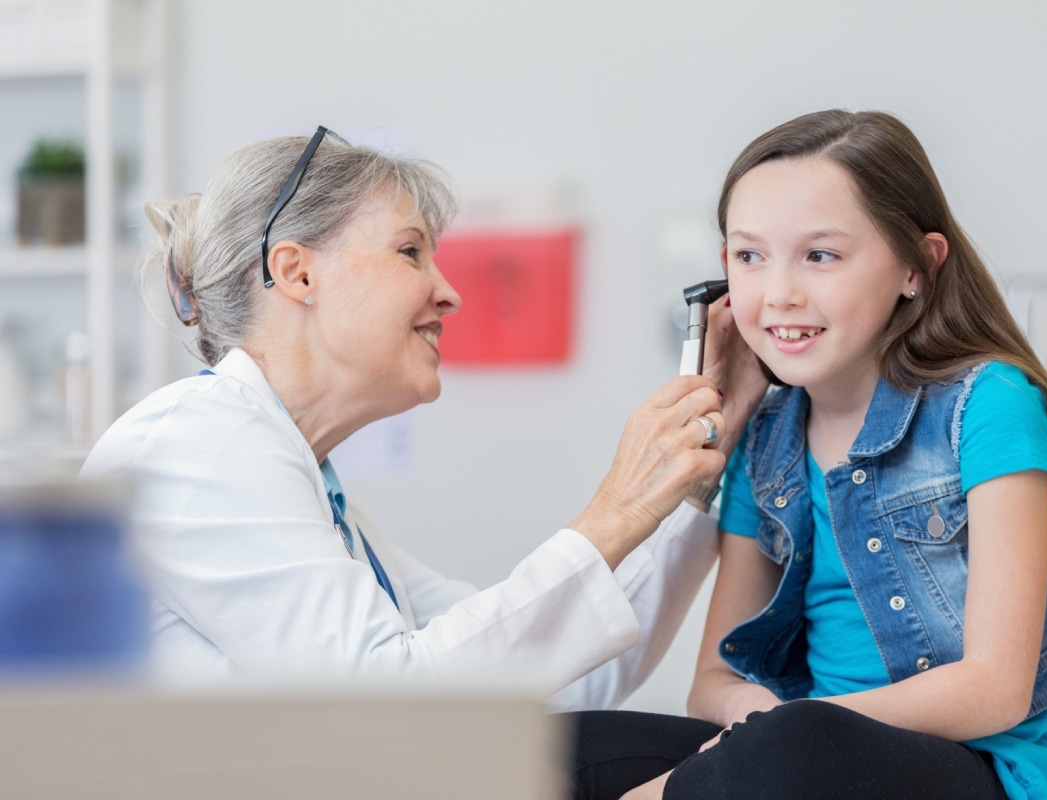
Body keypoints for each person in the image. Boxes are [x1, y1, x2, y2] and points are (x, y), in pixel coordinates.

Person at [80, 126, 761, 709]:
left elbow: (545, 680)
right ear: (296, 273)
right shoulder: (197, 446)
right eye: (410, 252)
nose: (450, 293)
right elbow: (388, 703)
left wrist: (697, 474)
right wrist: (616, 507)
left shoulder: (308, 487)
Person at [570, 109, 1047, 799]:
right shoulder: (767, 437)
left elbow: (995, 691)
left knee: (796, 744)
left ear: (917, 268)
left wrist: (778, 729)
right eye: (750, 256)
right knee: (568, 744)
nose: (780, 293)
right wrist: (749, 720)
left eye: (820, 255)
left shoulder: (988, 406)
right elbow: (710, 684)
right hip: (800, 750)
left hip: (977, 771)